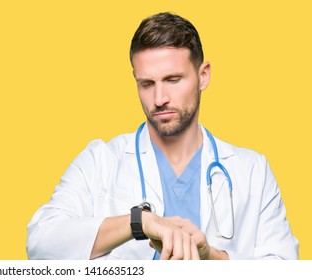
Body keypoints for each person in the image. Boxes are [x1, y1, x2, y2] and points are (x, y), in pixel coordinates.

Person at [26, 12, 298, 260]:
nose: (159, 99)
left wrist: (210, 258)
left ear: (203, 76)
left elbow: (286, 268)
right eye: (147, 84)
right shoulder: (100, 161)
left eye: (173, 80)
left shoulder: (252, 170)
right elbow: (41, 242)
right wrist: (140, 222)